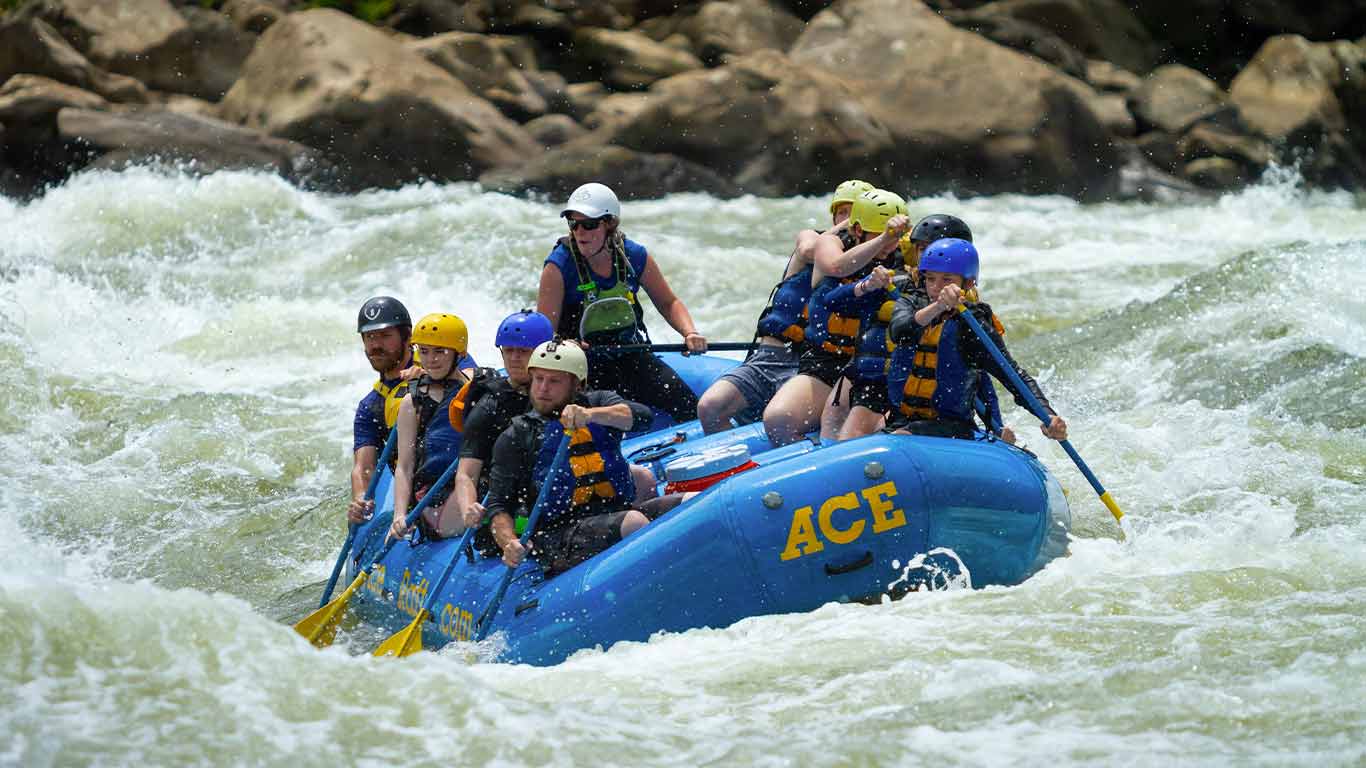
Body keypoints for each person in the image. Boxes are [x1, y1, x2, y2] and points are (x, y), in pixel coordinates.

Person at [696, 180, 873, 434]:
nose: (846, 219)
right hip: (770, 358)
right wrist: (852, 224)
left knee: (782, 419)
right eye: (842, 212)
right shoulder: (812, 239)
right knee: (710, 406)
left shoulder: (870, 265)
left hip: (814, 365)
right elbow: (812, 250)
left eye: (854, 212)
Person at [484, 340, 665, 576]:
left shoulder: (599, 403)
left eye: (554, 381)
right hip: (557, 535)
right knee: (634, 522)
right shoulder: (519, 434)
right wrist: (508, 542)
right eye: (538, 379)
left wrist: (591, 416)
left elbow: (642, 417)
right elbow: (497, 504)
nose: (543, 389)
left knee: (688, 502)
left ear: (577, 385)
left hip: (616, 511)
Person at [536, 182, 708, 425]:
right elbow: (545, 333)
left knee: (688, 407)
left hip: (629, 353)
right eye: (574, 224)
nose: (580, 232)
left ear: (609, 224)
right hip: (581, 364)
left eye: (589, 224)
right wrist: (567, 344)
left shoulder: (633, 255)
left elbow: (668, 302)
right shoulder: (558, 266)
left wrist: (690, 332)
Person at [762, 189, 910, 447]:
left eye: (895, 238)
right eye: (880, 235)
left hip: (872, 366)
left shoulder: (904, 256)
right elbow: (838, 267)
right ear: (857, 230)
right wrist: (883, 238)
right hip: (825, 361)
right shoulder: (830, 246)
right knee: (778, 419)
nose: (890, 245)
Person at [886, 238, 1068, 441]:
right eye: (931, 279)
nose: (937, 287)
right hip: (901, 421)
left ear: (969, 283)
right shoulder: (908, 303)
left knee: (903, 435)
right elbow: (900, 332)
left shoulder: (971, 325)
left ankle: (999, 435)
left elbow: (1012, 375)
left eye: (947, 280)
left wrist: (1047, 415)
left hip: (951, 428)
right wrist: (938, 306)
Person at [885, 215, 1016, 443]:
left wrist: (996, 423)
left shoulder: (971, 310)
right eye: (921, 249)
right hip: (903, 401)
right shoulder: (908, 286)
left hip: (946, 416)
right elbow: (900, 331)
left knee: (971, 366)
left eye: (930, 248)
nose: (925, 255)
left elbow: (991, 372)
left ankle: (996, 431)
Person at [349, 297, 476, 525]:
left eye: (385, 336)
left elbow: (472, 379)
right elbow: (364, 467)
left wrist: (426, 379)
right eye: (370, 337)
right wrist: (361, 497)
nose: (376, 345)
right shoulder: (371, 407)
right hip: (425, 485)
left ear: (407, 337)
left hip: (465, 466)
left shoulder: (443, 356)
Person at [388, 313, 473, 541]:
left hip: (468, 484)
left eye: (440, 352)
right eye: (424, 351)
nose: (431, 360)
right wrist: (399, 516)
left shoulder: (476, 388)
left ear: (459, 354)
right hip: (435, 501)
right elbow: (405, 466)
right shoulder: (412, 403)